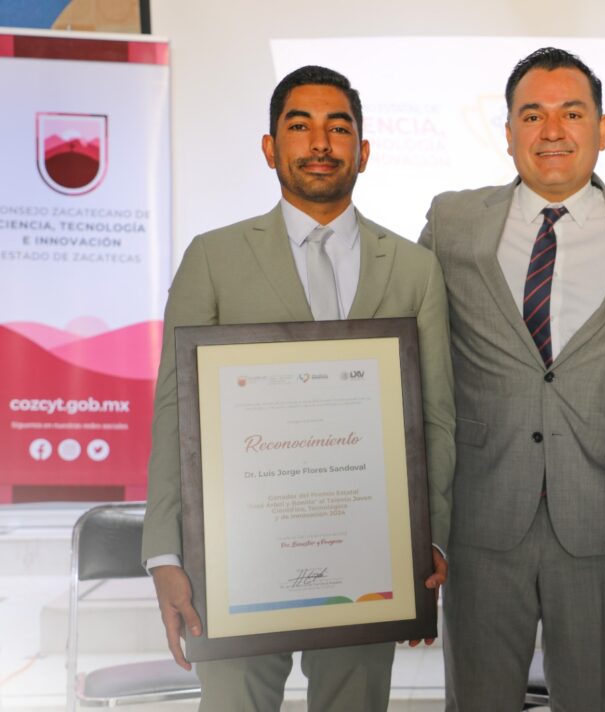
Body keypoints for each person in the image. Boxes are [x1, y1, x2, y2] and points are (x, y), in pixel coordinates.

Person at [141, 65, 454, 712]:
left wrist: (428, 539)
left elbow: (436, 417)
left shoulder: (416, 268)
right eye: (299, 126)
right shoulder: (212, 258)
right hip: (235, 558)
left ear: (363, 151)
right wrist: (165, 554)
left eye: (338, 128)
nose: (320, 143)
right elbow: (175, 412)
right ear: (269, 147)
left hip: (370, 555)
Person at [418, 47, 605, 711]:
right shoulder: (453, 222)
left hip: (599, 513)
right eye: (531, 114)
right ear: (508, 131)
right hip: (481, 512)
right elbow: (401, 340)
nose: (551, 130)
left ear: (603, 129)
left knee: (588, 701)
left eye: (572, 113)